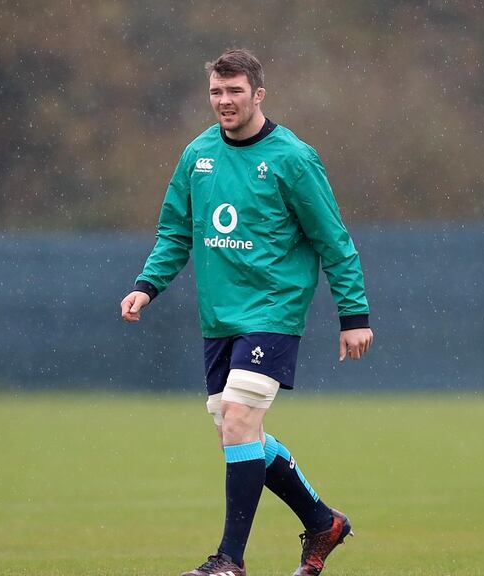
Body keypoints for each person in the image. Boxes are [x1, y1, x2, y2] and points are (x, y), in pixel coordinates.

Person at [120, 48, 373, 576]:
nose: (224, 101)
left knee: (238, 420)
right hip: (221, 318)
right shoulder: (197, 156)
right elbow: (175, 231)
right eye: (216, 91)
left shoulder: (293, 159)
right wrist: (148, 285)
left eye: (235, 91)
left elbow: (334, 239)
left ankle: (229, 561)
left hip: (274, 311)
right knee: (236, 432)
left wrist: (354, 315)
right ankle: (323, 522)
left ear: (258, 94)